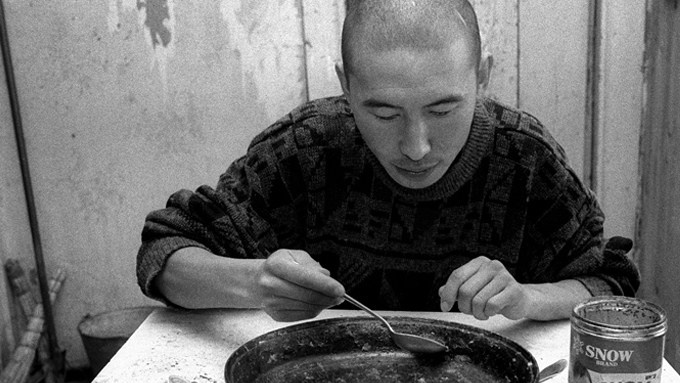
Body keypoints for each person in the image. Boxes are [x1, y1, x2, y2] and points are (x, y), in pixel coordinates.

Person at [136, 0, 639, 323]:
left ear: (481, 77)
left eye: (443, 109)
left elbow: (609, 284)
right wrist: (253, 283)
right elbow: (164, 255)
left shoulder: (525, 158)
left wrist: (527, 298)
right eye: (382, 112)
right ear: (345, 85)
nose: (416, 147)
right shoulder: (307, 149)